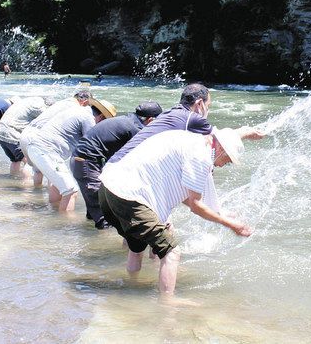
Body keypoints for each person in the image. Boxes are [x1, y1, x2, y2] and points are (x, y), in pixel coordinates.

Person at [99, 128, 253, 298]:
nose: (225, 164)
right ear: (222, 149)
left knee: (137, 247)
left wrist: (221, 213)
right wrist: (231, 225)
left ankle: (130, 288)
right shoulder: (201, 156)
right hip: (128, 197)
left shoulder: (188, 140)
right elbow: (196, 205)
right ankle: (168, 303)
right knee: (171, 251)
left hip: (108, 189)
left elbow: (184, 194)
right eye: (228, 160)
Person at [108, 83, 264, 165]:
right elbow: (220, 141)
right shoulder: (191, 118)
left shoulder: (170, 113)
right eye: (208, 106)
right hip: (126, 173)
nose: (207, 111)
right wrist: (245, 132)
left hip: (114, 167)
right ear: (199, 104)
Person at [71, 101, 163, 229]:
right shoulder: (135, 130)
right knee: (104, 214)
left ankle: (88, 236)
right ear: (150, 120)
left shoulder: (127, 120)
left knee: (94, 210)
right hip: (88, 163)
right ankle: (106, 246)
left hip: (82, 161)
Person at [25, 98, 116, 211]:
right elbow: (92, 144)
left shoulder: (77, 110)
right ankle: (66, 226)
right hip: (46, 151)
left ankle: (53, 214)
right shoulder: (88, 118)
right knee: (71, 191)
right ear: (101, 117)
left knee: (58, 185)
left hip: (37, 147)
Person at [20, 90, 92, 187]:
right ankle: (51, 199)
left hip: (26, 132)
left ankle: (30, 194)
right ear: (85, 102)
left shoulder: (62, 102)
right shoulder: (76, 108)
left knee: (33, 168)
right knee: (55, 173)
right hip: (39, 136)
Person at [0, 96, 53, 177]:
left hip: (0, 133)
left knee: (15, 160)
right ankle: (27, 187)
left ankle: (13, 181)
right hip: (12, 135)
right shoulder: (40, 107)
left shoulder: (28, 101)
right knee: (30, 162)